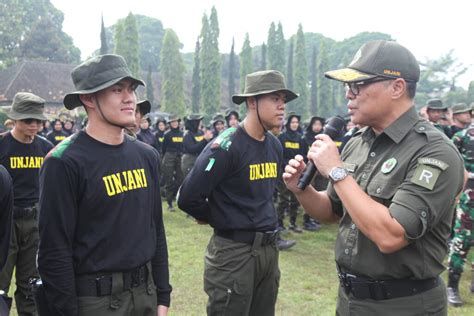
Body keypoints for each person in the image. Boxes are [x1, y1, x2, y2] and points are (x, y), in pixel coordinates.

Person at [283, 40, 464, 315]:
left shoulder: (434, 151)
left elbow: (391, 235)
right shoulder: (359, 142)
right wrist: (302, 190)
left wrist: (337, 171)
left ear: (396, 87)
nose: (348, 95)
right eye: (347, 86)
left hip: (405, 305)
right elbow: (333, 211)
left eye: (358, 85)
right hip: (351, 299)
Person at [37, 54, 171, 315]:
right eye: (117, 90)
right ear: (88, 98)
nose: (129, 98)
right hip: (94, 302)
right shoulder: (63, 162)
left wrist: (162, 295)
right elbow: (54, 252)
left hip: (145, 294)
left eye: (131, 89)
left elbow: (156, 229)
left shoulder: (146, 156)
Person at [178, 70, 298, 315]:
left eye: (283, 100)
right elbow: (188, 196)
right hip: (233, 254)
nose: (282, 106)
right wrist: (218, 215)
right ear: (252, 102)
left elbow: (266, 194)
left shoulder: (274, 145)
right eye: (275, 99)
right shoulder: (226, 145)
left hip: (268, 250)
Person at [0, 92, 54, 315]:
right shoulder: (2, 145)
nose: (34, 126)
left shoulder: (46, 148)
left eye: (38, 121)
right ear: (15, 120)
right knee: (0, 283)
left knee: (30, 283)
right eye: (28, 121)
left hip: (34, 221)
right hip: (5, 222)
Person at [446, 121, 474, 307]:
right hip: (469, 199)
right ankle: (452, 286)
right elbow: (448, 162)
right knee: (462, 241)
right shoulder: (461, 137)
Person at [276, 112, 305, 233]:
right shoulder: (281, 137)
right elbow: (279, 154)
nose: (294, 124)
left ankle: (293, 223)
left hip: (296, 173)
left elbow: (303, 154)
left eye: (296, 122)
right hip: (284, 172)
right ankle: (279, 224)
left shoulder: (300, 138)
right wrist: (285, 166)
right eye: (292, 122)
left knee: (295, 199)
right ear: (288, 123)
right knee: (283, 199)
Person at [161, 114, 184, 211]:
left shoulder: (183, 133)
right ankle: (170, 203)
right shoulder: (167, 134)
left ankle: (178, 199)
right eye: (172, 122)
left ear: (178, 123)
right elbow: (163, 148)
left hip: (180, 157)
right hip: (169, 156)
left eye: (176, 122)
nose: (174, 123)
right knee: (168, 180)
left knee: (181, 180)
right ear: (170, 124)